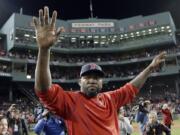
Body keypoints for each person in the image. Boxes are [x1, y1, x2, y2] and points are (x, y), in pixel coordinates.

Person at [33, 6, 167, 135]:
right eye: (87, 77)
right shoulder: (70, 101)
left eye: (96, 78)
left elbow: (131, 88)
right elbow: (43, 90)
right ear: (80, 82)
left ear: (102, 82)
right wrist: (44, 50)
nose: (92, 80)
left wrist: (150, 68)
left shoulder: (110, 99)